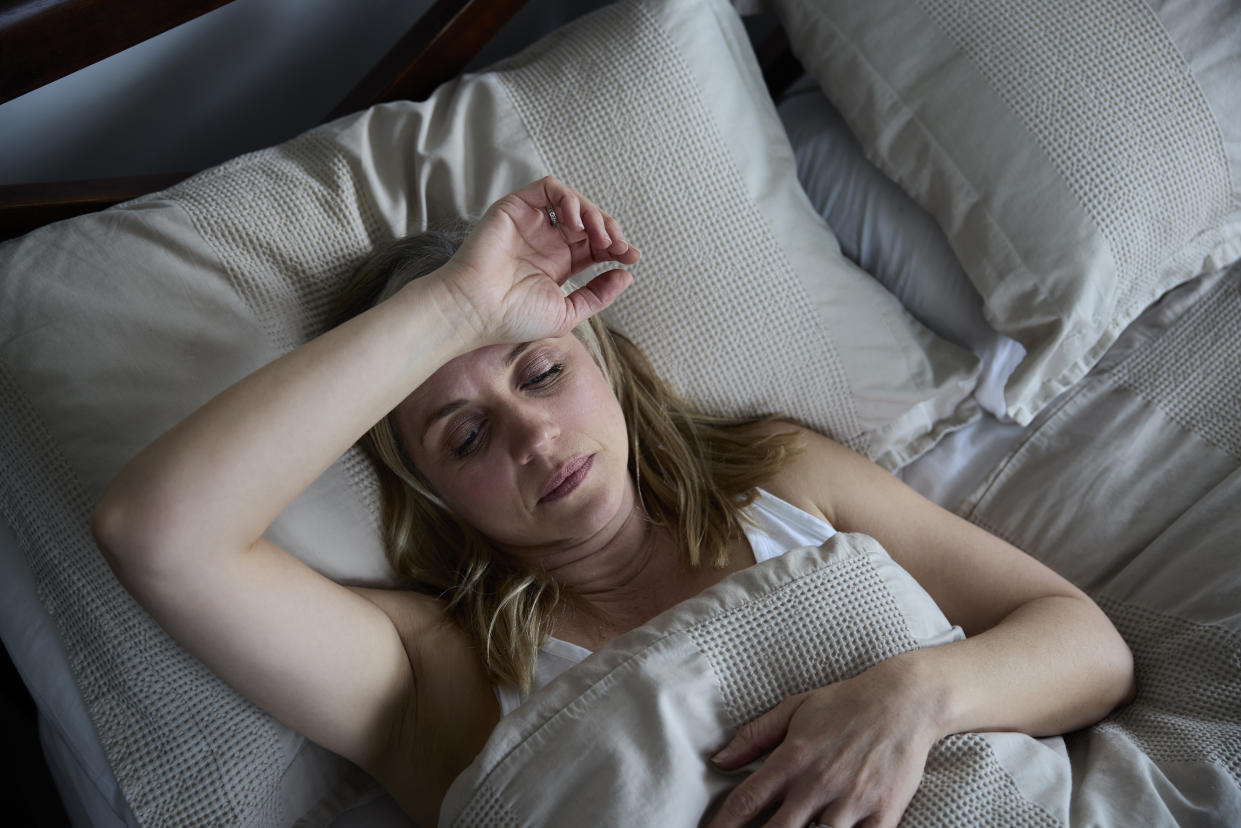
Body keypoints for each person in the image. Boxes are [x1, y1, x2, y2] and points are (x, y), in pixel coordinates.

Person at [92, 177, 1135, 828]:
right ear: (434, 496)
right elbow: (159, 534)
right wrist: (454, 307)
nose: (532, 436)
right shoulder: (430, 672)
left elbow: (1084, 646)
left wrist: (912, 697)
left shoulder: (779, 475)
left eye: (540, 375)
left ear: (606, 366)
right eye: (463, 435)